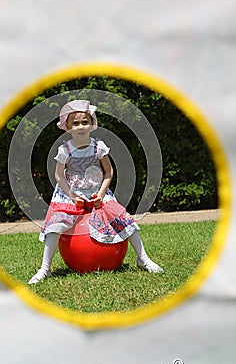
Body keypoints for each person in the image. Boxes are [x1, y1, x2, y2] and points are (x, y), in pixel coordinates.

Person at [28, 99, 163, 284]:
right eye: (75, 123)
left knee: (124, 219)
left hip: (97, 192)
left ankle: (143, 258)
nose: (80, 126)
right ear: (67, 126)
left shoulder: (98, 147)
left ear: (92, 124)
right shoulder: (65, 149)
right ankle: (45, 268)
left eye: (85, 122)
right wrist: (72, 195)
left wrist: (101, 193)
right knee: (55, 226)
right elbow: (59, 175)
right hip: (70, 193)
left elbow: (108, 172)